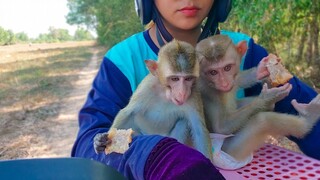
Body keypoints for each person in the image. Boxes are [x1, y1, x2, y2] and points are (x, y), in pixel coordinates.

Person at [71, 0, 320, 179]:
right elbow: (88, 146)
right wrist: (156, 156)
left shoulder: (241, 50)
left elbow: (304, 108)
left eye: (190, 80)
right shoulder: (123, 60)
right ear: (154, 69)